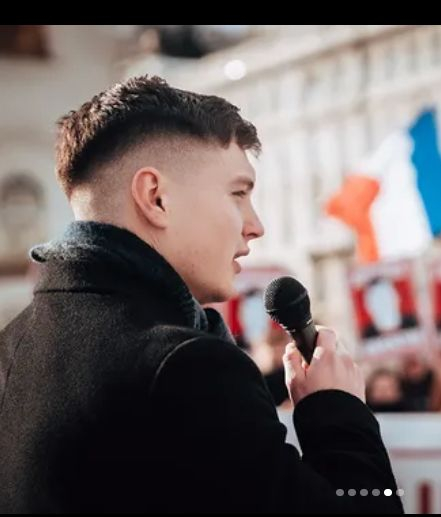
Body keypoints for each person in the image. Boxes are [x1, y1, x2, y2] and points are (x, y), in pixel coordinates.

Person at [0, 75, 403, 513]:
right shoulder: (185, 368)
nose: (255, 225)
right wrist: (338, 410)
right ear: (156, 197)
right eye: (238, 194)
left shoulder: (12, 344)